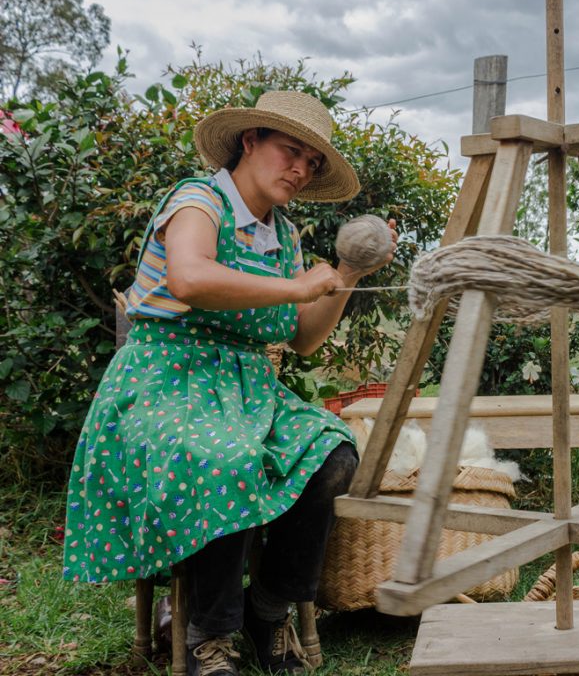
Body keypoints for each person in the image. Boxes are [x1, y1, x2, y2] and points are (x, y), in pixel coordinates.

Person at [62, 90, 397, 675]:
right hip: (165, 378)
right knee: (225, 456)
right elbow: (190, 278)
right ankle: (207, 638)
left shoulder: (284, 236)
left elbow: (303, 339)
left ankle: (265, 610)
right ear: (250, 141)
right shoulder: (199, 201)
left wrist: (347, 272)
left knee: (333, 456)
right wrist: (297, 288)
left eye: (312, 163)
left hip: (247, 387)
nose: (300, 169)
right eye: (290, 151)